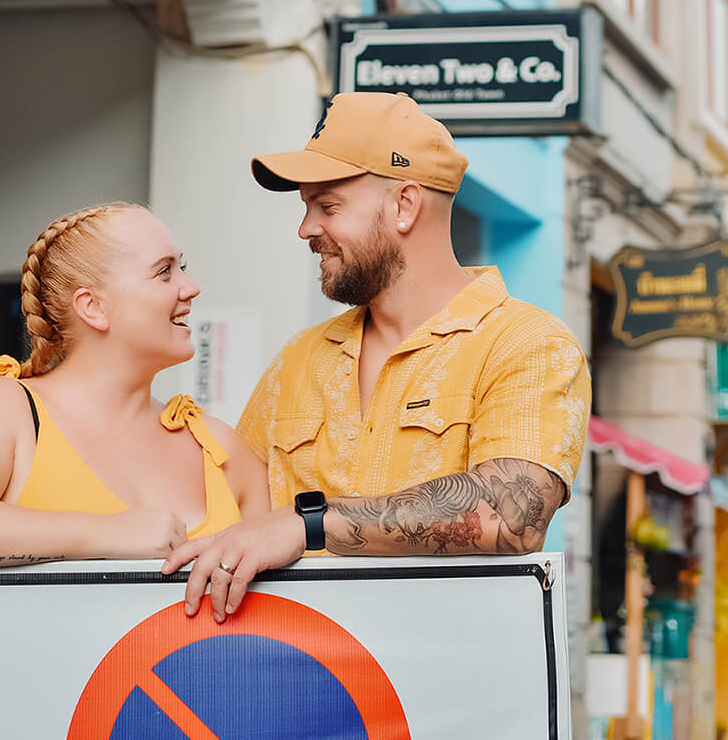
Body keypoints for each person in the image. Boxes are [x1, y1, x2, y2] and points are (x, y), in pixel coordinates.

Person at [163, 91, 591, 621]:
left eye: (328, 206)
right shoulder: (298, 360)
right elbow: (223, 514)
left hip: (442, 696)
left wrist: (308, 526)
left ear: (404, 205)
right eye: (305, 207)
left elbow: (512, 512)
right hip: (299, 685)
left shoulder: (527, 342)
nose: (306, 229)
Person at [0, 201, 268, 567]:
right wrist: (106, 533)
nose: (190, 288)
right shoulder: (10, 410)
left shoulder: (220, 448)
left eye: (181, 267)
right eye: (164, 271)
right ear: (93, 307)